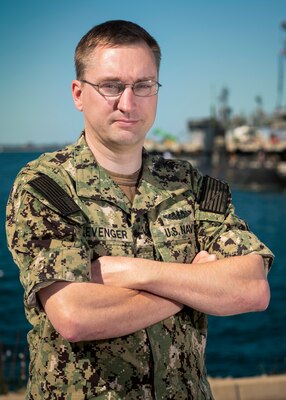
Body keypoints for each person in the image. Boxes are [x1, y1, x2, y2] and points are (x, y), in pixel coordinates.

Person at [6, 20, 274, 399]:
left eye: (144, 86)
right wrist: (193, 285)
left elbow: (252, 288)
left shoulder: (193, 186)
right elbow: (76, 316)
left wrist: (136, 272)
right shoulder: (46, 187)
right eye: (111, 86)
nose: (128, 103)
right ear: (79, 93)